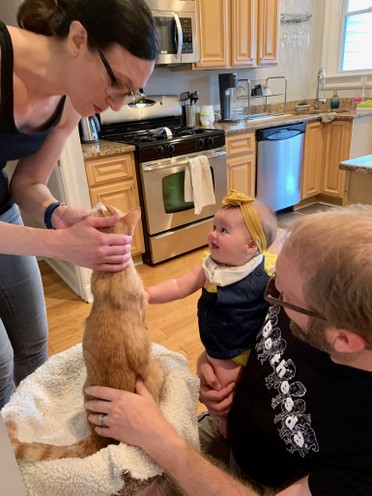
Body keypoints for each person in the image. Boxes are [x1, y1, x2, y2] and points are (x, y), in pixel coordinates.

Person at [85, 204, 372, 496]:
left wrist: (157, 437)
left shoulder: (362, 444)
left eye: (283, 296)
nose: (271, 292)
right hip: (230, 428)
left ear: (344, 340)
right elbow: (250, 339)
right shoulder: (305, 301)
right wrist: (208, 365)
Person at [0, 0, 158, 407]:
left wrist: (57, 215)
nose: (119, 104)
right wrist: (58, 245)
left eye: (131, 92)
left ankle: (33, 443)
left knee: (34, 345)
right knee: (0, 364)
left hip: (3, 213)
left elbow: (29, 181)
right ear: (78, 38)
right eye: (116, 83)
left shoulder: (69, 100)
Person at [145, 189, 277, 436]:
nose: (213, 234)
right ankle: (223, 425)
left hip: (246, 347)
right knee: (219, 386)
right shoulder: (210, 269)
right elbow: (178, 286)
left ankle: (227, 429)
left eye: (223, 230)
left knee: (228, 388)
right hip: (219, 347)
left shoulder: (267, 272)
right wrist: (148, 295)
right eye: (214, 226)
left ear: (251, 245)